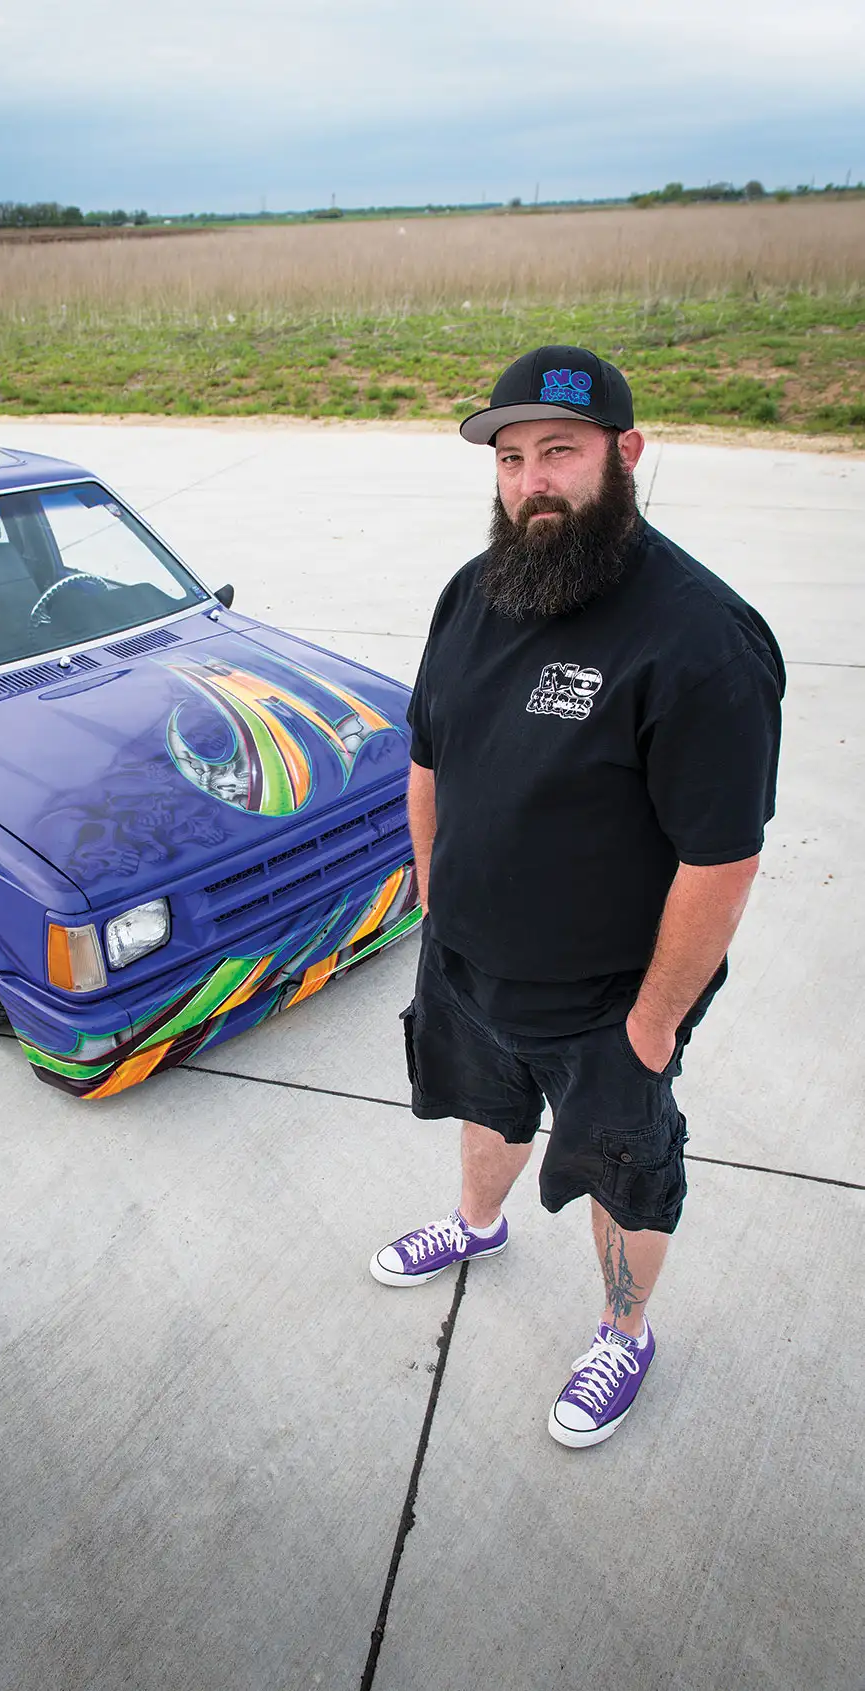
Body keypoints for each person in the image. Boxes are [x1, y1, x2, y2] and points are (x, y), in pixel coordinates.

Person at [369, 345, 785, 1448]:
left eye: (559, 450)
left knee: (624, 1169)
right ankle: (477, 1223)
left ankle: (622, 1330)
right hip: (466, 957)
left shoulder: (700, 640)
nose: (530, 482)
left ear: (627, 455)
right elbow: (427, 754)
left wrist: (652, 1024)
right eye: (511, 458)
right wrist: (432, 890)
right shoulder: (474, 592)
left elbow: (721, 860)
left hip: (609, 999)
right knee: (482, 1108)